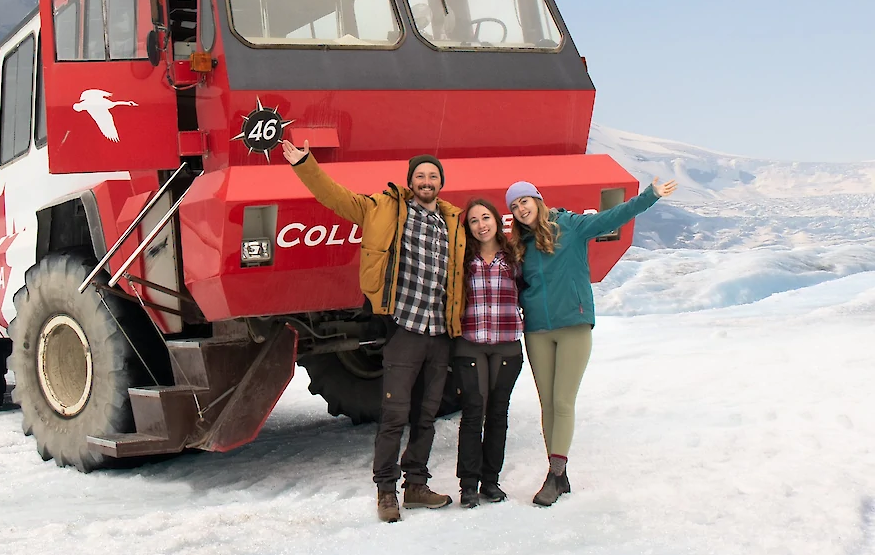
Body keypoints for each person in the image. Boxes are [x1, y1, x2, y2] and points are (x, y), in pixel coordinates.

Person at [281, 139, 466, 523]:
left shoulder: (453, 221)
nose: (427, 181)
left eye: (433, 175)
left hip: (440, 333)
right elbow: (334, 197)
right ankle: (386, 492)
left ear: (441, 182)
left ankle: (416, 485)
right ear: (410, 180)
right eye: (420, 175)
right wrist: (304, 163)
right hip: (404, 329)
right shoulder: (381, 208)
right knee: (394, 414)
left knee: (426, 416)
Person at [507, 177, 678, 506]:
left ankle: (554, 475)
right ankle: (559, 473)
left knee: (562, 402)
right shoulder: (520, 244)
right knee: (547, 405)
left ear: (538, 199)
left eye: (524, 201)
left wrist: (651, 195)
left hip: (573, 323)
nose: (520, 209)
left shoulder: (570, 225)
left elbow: (613, 217)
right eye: (514, 206)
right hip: (537, 330)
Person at [452, 198, 525, 508]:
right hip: (470, 342)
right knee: (473, 410)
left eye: (486, 218)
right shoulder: (461, 259)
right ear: (468, 228)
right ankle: (468, 485)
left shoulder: (515, 257)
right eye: (473, 221)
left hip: (507, 342)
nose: (481, 225)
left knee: (497, 412)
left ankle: (490, 481)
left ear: (497, 220)